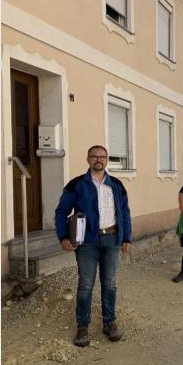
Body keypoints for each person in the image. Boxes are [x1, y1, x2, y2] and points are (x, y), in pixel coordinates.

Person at [55, 145, 132, 348]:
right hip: (87, 242)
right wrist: (63, 237)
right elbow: (61, 211)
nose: (99, 160)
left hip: (112, 239)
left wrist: (127, 237)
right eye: (94, 156)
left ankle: (109, 323)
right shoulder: (77, 184)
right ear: (88, 159)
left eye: (102, 157)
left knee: (110, 283)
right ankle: (82, 327)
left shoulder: (116, 185)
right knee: (86, 285)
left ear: (107, 160)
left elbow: (125, 212)